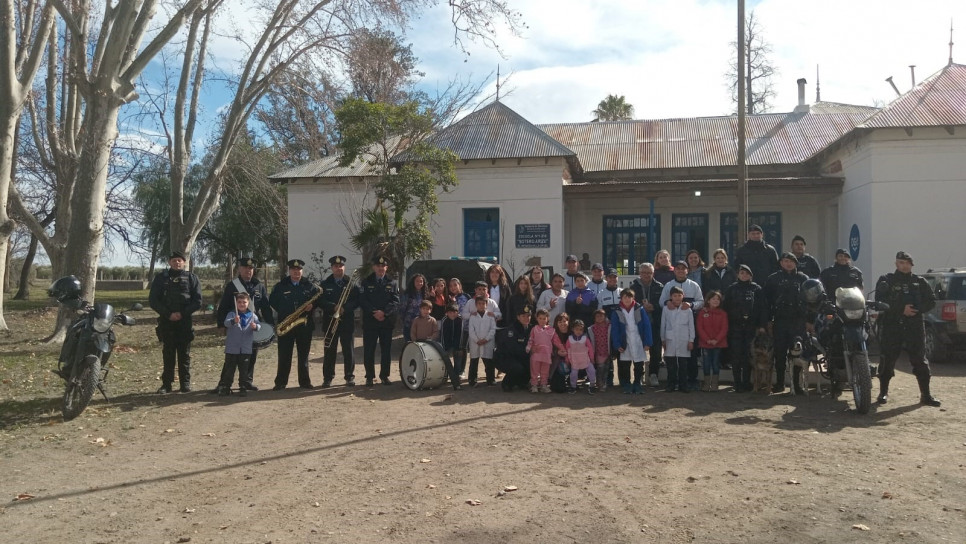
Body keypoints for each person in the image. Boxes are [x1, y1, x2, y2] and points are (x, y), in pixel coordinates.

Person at [874, 251, 940, 406]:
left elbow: (931, 301)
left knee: (920, 360)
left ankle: (926, 395)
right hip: (892, 325)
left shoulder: (920, 281)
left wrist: (917, 310)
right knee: (888, 359)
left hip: (914, 326)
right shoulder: (886, 280)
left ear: (911, 265)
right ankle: (883, 393)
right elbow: (880, 301)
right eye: (901, 263)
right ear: (896, 264)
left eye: (907, 263)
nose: (904, 266)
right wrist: (901, 309)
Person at [149, 251, 203, 394]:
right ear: (169, 262)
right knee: (168, 353)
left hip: (184, 322)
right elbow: (153, 300)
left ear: (184, 262)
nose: (177, 263)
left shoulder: (192, 278)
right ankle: (166, 384)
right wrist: (168, 314)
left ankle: (185, 384)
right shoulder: (161, 278)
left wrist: (182, 314)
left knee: (184, 354)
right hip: (167, 322)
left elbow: (197, 301)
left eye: (179, 260)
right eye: (174, 260)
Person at [215, 256, 271, 391]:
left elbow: (265, 307)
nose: (248, 270)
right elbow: (223, 306)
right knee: (231, 357)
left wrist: (270, 325)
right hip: (236, 326)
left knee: (250, 355)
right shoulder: (232, 285)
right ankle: (224, 383)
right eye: (245, 268)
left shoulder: (259, 285)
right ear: (239, 269)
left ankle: (246, 382)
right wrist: (221, 325)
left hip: (251, 326)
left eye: (251, 268)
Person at [269, 258, 320, 390]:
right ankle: (280, 382)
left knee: (303, 356)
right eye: (293, 269)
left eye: (299, 269)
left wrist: (312, 306)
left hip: (304, 325)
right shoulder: (281, 285)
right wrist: (285, 312)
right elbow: (273, 301)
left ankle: (304, 382)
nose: (296, 272)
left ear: (302, 270)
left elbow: (319, 300)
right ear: (289, 270)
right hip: (286, 325)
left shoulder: (310, 285)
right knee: (284, 355)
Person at [764, 252, 810, 394]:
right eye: (785, 261)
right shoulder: (773, 279)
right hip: (780, 321)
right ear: (781, 263)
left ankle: (796, 385)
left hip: (798, 321)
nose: (788, 263)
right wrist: (768, 320)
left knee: (797, 354)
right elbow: (766, 301)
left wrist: (809, 321)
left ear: (796, 262)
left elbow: (810, 301)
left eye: (791, 261)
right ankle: (779, 383)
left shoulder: (803, 278)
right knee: (780, 352)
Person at [659, 260, 704, 390]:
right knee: (672, 360)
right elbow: (661, 302)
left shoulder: (694, 285)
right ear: (674, 270)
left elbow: (701, 301)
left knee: (690, 355)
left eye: (683, 268)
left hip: (689, 321)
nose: (680, 270)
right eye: (678, 268)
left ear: (687, 270)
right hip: (672, 326)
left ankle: (691, 381)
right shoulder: (668, 285)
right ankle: (673, 383)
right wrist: (667, 303)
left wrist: (691, 305)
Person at [723, 265, 768, 392]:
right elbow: (725, 308)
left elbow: (763, 309)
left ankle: (746, 383)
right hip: (735, 327)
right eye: (742, 273)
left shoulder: (757, 289)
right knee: (736, 356)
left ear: (751, 275)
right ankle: (737, 383)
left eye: (747, 273)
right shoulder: (731, 289)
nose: (744, 275)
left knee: (748, 357)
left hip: (751, 327)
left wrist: (762, 326)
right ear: (738, 275)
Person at [358, 255, 400, 387]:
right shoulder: (366, 281)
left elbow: (395, 301)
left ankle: (384, 376)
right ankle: (369, 376)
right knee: (369, 350)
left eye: (383, 266)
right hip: (371, 321)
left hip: (386, 322)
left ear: (386, 268)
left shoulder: (392, 283)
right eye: (378, 266)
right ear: (373, 267)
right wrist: (374, 312)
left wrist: (384, 313)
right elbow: (363, 300)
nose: (381, 268)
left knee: (386, 350)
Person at [320, 255, 358, 388]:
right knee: (329, 350)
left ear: (344, 267)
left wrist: (344, 308)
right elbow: (320, 301)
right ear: (332, 268)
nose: (338, 268)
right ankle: (328, 378)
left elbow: (356, 300)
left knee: (348, 350)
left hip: (346, 321)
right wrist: (333, 307)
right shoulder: (325, 284)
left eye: (341, 266)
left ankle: (349, 377)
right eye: (336, 266)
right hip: (330, 321)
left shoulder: (351, 283)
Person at [217, 292, 260, 396]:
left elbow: (259, 326)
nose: (241, 304)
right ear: (236, 303)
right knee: (229, 369)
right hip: (232, 348)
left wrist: (256, 327)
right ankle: (226, 387)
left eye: (244, 302)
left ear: (248, 303)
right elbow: (226, 323)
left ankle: (243, 387)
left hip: (245, 349)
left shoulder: (253, 315)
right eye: (239, 302)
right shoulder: (232, 314)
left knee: (244, 370)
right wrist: (233, 321)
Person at [610, 288, 652, 394]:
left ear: (633, 298)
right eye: (625, 297)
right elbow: (614, 329)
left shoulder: (639, 309)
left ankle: (637, 383)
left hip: (638, 340)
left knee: (638, 364)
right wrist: (617, 344)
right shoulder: (617, 311)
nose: (627, 299)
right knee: (625, 365)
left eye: (629, 297)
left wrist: (647, 342)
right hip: (625, 341)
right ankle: (627, 384)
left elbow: (647, 326)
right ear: (621, 298)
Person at [631, 263, 664, 387]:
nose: (646, 275)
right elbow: (630, 304)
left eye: (649, 272)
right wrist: (641, 307)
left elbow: (663, 305)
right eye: (644, 272)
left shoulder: (660, 287)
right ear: (640, 273)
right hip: (639, 324)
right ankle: (639, 375)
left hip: (655, 323)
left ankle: (653, 374)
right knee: (639, 350)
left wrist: (653, 307)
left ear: (653, 273)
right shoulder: (633, 287)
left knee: (655, 350)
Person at [661, 286, 695, 393]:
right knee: (671, 365)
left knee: (683, 365)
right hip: (670, 340)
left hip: (683, 340)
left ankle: (683, 385)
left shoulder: (687, 309)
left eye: (679, 296)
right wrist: (663, 339)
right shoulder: (666, 309)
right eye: (674, 296)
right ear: (670, 297)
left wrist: (691, 340)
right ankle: (671, 385)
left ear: (683, 296)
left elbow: (691, 326)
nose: (677, 298)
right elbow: (663, 324)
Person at [495, 305, 533, 392]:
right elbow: (512, 349)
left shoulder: (531, 328)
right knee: (518, 368)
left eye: (528, 316)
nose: (526, 318)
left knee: (533, 364)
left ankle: (521, 383)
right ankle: (507, 383)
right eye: (523, 316)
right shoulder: (512, 330)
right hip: (505, 358)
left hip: (521, 356)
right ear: (518, 317)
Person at [696, 290, 728, 392]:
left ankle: (715, 384)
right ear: (708, 300)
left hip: (718, 344)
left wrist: (716, 340)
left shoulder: (723, 314)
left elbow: (724, 328)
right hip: (705, 344)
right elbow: (700, 328)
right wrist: (707, 340)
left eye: (718, 299)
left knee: (715, 363)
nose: (715, 301)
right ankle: (706, 383)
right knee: (706, 363)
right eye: (713, 299)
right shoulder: (702, 312)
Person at [467, 295, 497, 386]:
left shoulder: (490, 316)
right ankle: (472, 380)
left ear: (486, 304)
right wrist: (477, 340)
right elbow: (471, 330)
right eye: (479, 304)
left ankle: (490, 379)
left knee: (489, 362)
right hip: (475, 342)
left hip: (487, 342)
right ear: (476, 305)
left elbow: (493, 329)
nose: (481, 305)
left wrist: (486, 339)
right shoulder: (473, 316)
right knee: (474, 362)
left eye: (483, 303)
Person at [527, 308, 556, 393]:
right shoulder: (534, 329)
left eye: (544, 318)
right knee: (534, 371)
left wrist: (562, 348)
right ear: (537, 318)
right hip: (536, 354)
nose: (542, 320)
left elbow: (556, 341)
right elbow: (530, 339)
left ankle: (543, 385)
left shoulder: (551, 330)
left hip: (546, 354)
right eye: (540, 318)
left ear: (547, 319)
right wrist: (530, 348)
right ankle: (534, 385)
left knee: (545, 371)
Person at [565, 319, 596, 394]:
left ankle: (592, 385)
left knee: (592, 371)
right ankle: (573, 387)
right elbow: (567, 350)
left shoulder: (585, 339)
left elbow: (590, 349)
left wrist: (592, 359)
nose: (579, 331)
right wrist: (567, 360)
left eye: (581, 329)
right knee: (573, 374)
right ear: (573, 329)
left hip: (585, 360)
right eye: (577, 329)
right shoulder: (569, 339)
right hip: (574, 361)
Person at [439, 303, 465, 390]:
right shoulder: (444, 320)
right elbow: (442, 334)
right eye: (450, 312)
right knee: (446, 361)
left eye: (455, 312)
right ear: (447, 313)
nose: (453, 314)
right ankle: (445, 377)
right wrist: (443, 348)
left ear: (458, 312)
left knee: (457, 362)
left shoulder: (460, 319)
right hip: (447, 344)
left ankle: (456, 378)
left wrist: (460, 347)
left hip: (457, 344)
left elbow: (461, 334)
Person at [400, 274, 427, 343]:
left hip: (421, 324)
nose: (419, 283)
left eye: (421, 281)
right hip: (409, 324)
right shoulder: (408, 294)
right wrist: (404, 320)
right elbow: (402, 309)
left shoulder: (424, 294)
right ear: (413, 282)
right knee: (409, 344)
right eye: (417, 281)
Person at [589, 309, 611, 392]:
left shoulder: (609, 326)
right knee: (600, 368)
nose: (599, 318)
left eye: (601, 316)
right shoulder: (592, 328)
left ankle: (604, 382)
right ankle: (600, 383)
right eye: (597, 316)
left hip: (607, 351)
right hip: (598, 352)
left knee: (606, 368)